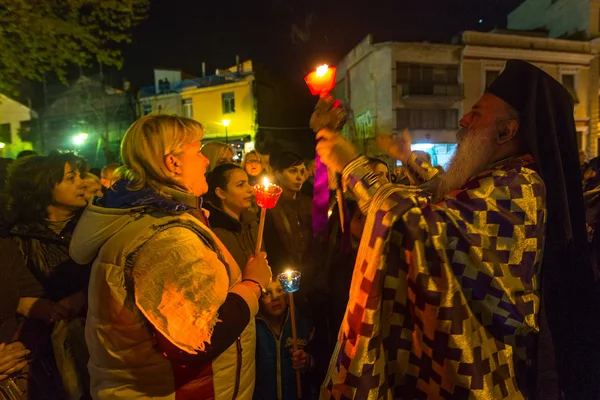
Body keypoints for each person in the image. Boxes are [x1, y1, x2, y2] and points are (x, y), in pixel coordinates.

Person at [315, 60, 599, 399]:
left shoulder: (519, 186)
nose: (463, 120)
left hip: (487, 370)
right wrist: (406, 159)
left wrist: (354, 167)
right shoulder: (500, 176)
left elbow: (424, 231)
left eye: (476, 114)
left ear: (506, 131)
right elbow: (443, 193)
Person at [69, 115, 272, 399]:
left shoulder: (157, 217)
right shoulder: (165, 237)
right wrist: (253, 284)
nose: (205, 161)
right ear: (172, 162)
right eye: (197, 151)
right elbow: (197, 341)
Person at [5, 151, 91, 399]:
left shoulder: (94, 226)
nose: (82, 183)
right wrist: (27, 305)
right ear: (42, 187)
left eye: (80, 176)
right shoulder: (17, 237)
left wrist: (84, 296)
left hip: (98, 341)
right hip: (45, 352)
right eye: (70, 178)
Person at [254, 278, 316, 400]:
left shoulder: (303, 324)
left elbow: (320, 361)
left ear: (288, 295)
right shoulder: (252, 329)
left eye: (280, 290)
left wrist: (306, 361)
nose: (275, 298)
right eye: (266, 293)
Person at [263, 151, 312, 272]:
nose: (299, 177)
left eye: (302, 171)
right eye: (293, 171)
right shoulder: (269, 207)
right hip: (283, 273)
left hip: (309, 271)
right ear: (278, 173)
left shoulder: (309, 203)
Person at [204, 163, 259, 269]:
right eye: (240, 185)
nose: (250, 189)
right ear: (221, 193)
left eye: (248, 183)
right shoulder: (213, 233)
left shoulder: (252, 223)